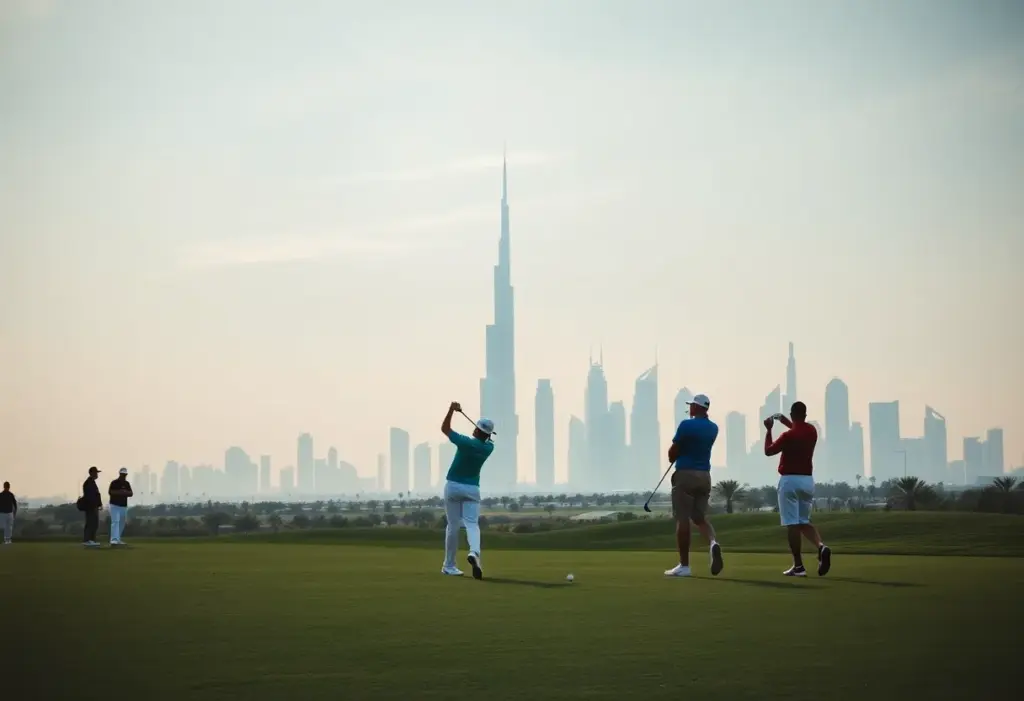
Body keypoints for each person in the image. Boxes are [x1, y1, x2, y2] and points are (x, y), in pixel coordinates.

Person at [764, 402, 831, 577]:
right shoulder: (812, 431)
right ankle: (821, 546)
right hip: (807, 481)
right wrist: (784, 420)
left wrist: (769, 430)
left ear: (792, 415)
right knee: (803, 521)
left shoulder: (788, 436)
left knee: (792, 524)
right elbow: (798, 429)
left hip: (789, 481)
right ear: (805, 415)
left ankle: (799, 566)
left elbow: (769, 451)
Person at [663, 393, 724, 577]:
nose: (689, 408)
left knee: (683, 519)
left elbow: (672, 453)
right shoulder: (713, 428)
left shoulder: (686, 425)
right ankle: (713, 543)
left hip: (685, 475)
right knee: (699, 517)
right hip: (704, 476)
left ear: (696, 407)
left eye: (691, 405)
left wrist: (677, 453)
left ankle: (684, 566)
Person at [439, 401, 495, 579]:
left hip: (453, 486)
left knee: (453, 525)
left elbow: (445, 429)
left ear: (477, 431)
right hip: (472, 489)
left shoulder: (465, 442)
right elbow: (487, 439)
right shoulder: (489, 447)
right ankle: (474, 552)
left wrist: (451, 410)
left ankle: (449, 565)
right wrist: (485, 434)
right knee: (472, 524)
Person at [108, 467, 133, 546]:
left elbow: (131, 493)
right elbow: (111, 492)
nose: (124, 476)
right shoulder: (114, 483)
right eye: (122, 474)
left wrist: (123, 492)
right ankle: (114, 540)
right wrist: (121, 492)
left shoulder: (127, 483)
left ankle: (118, 539)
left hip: (123, 506)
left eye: (125, 475)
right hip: (114, 505)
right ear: (120, 474)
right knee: (115, 521)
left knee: (122, 522)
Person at [82, 466, 103, 548]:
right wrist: (94, 505)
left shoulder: (92, 482)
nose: (97, 474)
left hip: (94, 506)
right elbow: (90, 496)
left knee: (94, 524)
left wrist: (99, 504)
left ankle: (91, 540)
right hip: (90, 507)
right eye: (95, 473)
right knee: (91, 523)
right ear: (91, 473)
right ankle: (88, 540)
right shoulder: (88, 483)